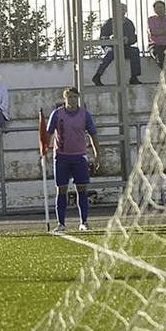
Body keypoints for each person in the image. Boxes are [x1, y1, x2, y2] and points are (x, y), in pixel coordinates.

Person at [45, 87, 100, 232]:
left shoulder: (85, 115)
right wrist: (45, 150)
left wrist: (97, 154)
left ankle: (83, 222)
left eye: (75, 97)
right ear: (65, 99)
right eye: (70, 97)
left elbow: (93, 134)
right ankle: (61, 223)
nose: (73, 100)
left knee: (81, 189)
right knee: (61, 190)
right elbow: (49, 133)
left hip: (79, 156)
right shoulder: (57, 114)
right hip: (61, 157)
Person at [92, 2, 142, 86]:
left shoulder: (129, 23)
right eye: (119, 9)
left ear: (125, 11)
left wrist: (128, 39)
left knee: (135, 51)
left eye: (123, 9)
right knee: (111, 52)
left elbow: (133, 38)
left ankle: (134, 77)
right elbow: (102, 38)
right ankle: (97, 76)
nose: (121, 11)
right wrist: (110, 38)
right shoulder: (109, 22)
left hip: (124, 47)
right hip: (111, 46)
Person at [146, 0, 166, 66]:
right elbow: (153, 32)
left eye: (161, 7)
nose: (159, 9)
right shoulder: (151, 19)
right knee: (160, 55)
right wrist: (164, 31)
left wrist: (159, 32)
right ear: (154, 10)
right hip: (155, 45)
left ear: (164, 8)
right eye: (157, 8)